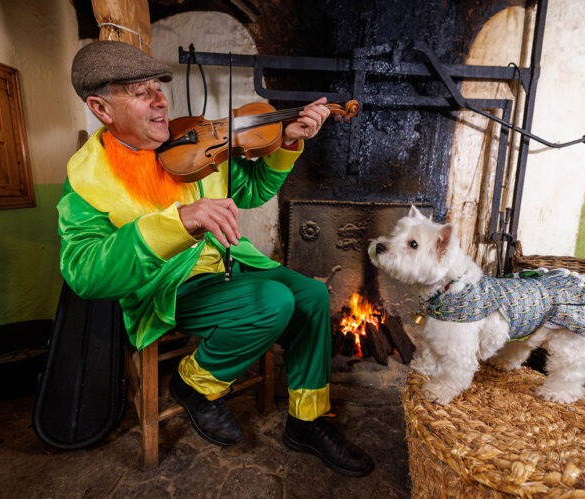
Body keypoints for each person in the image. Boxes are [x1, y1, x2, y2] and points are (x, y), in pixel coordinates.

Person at [60, 40, 374, 477]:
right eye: (138, 91)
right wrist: (177, 223)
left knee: (310, 296)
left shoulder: (190, 137)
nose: (159, 100)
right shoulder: (88, 179)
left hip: (227, 262)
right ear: (101, 107)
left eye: (157, 86)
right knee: (273, 302)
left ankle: (306, 422)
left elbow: (251, 191)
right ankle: (193, 383)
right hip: (168, 286)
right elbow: (85, 273)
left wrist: (286, 142)